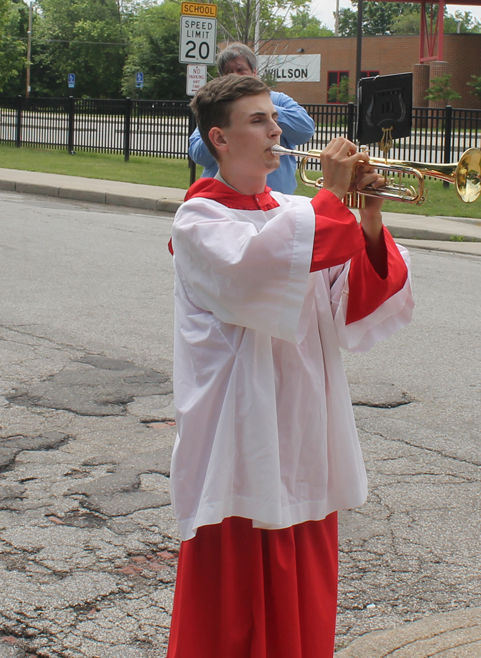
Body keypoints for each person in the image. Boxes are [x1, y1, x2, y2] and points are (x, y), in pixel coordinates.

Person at [167, 74, 414, 658]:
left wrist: (371, 218)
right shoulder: (199, 222)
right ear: (220, 139)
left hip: (304, 428)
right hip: (239, 437)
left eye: (273, 119)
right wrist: (333, 197)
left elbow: (352, 298)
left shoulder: (300, 210)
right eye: (257, 120)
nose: (276, 130)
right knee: (234, 608)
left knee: (303, 591)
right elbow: (261, 269)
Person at [188, 42, 315, 194]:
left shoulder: (279, 100)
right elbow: (198, 155)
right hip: (224, 199)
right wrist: (225, 123)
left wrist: (261, 108)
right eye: (228, 72)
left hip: (276, 202)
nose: (235, 76)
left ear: (254, 72)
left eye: (241, 70)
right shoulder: (215, 108)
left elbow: (305, 130)